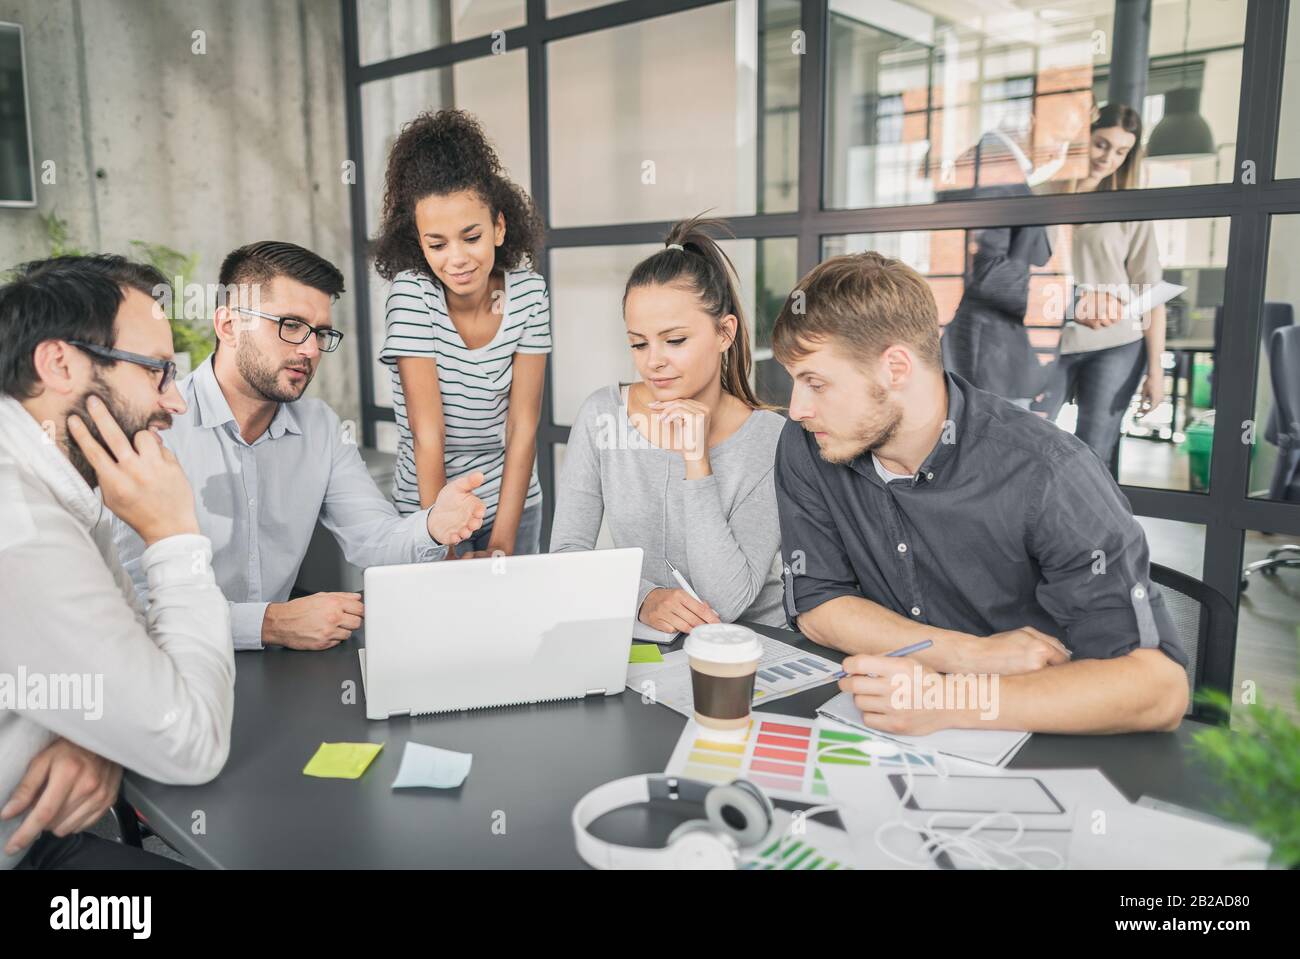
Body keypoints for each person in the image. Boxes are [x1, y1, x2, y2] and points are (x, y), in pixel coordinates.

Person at [772, 251, 1190, 735]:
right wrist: (969, 654)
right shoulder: (812, 442)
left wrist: (949, 699)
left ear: (896, 367)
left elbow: (1159, 689)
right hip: (885, 722)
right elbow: (818, 603)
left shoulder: (1049, 472)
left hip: (1035, 735)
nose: (797, 408)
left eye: (816, 383)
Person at [112, 241, 486, 652]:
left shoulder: (320, 428)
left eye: (321, 332)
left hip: (277, 674)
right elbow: (132, 603)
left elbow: (373, 539)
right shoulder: (155, 425)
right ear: (228, 325)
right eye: (290, 325)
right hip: (171, 670)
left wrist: (432, 526)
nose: (310, 349)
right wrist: (268, 623)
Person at [0, 255, 234, 868]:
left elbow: (137, 661)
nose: (175, 402)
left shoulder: (59, 477)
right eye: (157, 371)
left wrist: (102, 734)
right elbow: (190, 741)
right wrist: (174, 534)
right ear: (60, 363)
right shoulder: (19, 527)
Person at [550, 216, 786, 633]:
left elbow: (727, 601)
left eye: (674, 340)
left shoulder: (770, 440)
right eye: (638, 343)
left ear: (725, 332)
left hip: (753, 647)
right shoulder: (602, 416)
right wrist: (642, 598)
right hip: (656, 648)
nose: (653, 360)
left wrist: (697, 463)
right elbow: (567, 556)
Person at [374, 109, 550, 558]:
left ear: (499, 227)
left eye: (470, 237)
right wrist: (444, 544)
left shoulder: (528, 293)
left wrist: (504, 540)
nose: (457, 259)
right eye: (437, 244)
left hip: (513, 505)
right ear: (419, 242)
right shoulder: (413, 296)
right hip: (427, 511)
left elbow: (523, 426)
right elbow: (427, 434)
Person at [1034, 103, 1167, 465]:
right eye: (1102, 144)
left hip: (1115, 343)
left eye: (1121, 151)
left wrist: (1156, 372)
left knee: (1094, 449)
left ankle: (1085, 522)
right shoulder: (1041, 195)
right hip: (1049, 341)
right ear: (1084, 139)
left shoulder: (1130, 208)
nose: (1108, 158)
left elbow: (1151, 292)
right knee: (1029, 440)